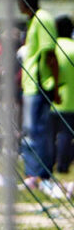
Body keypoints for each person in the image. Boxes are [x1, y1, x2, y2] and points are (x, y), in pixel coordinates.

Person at [19, 0, 62, 184]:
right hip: (31, 84)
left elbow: (50, 54)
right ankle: (37, 173)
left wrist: (55, 84)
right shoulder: (34, 20)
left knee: (34, 131)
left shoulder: (42, 18)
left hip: (38, 85)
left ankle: (36, 174)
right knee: (36, 130)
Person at [52, 15, 74, 173]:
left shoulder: (52, 48)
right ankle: (63, 165)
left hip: (52, 97)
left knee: (51, 135)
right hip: (71, 98)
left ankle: (49, 164)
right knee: (66, 134)